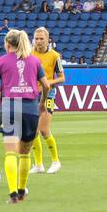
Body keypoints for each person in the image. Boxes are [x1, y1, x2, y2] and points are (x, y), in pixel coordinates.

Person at [0, 30, 47, 204]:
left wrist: (4, 96)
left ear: (8, 44)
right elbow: (45, 85)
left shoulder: (0, 61)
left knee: (10, 154)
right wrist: (42, 102)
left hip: (10, 109)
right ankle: (22, 191)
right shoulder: (35, 60)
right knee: (24, 154)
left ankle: (13, 194)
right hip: (31, 109)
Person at [28, 27, 64, 175]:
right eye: (36, 38)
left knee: (43, 129)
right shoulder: (29, 54)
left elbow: (62, 77)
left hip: (48, 94)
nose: (38, 41)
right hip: (32, 94)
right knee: (33, 132)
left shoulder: (55, 56)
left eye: (41, 38)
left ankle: (56, 161)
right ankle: (38, 165)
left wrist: (47, 83)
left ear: (47, 39)